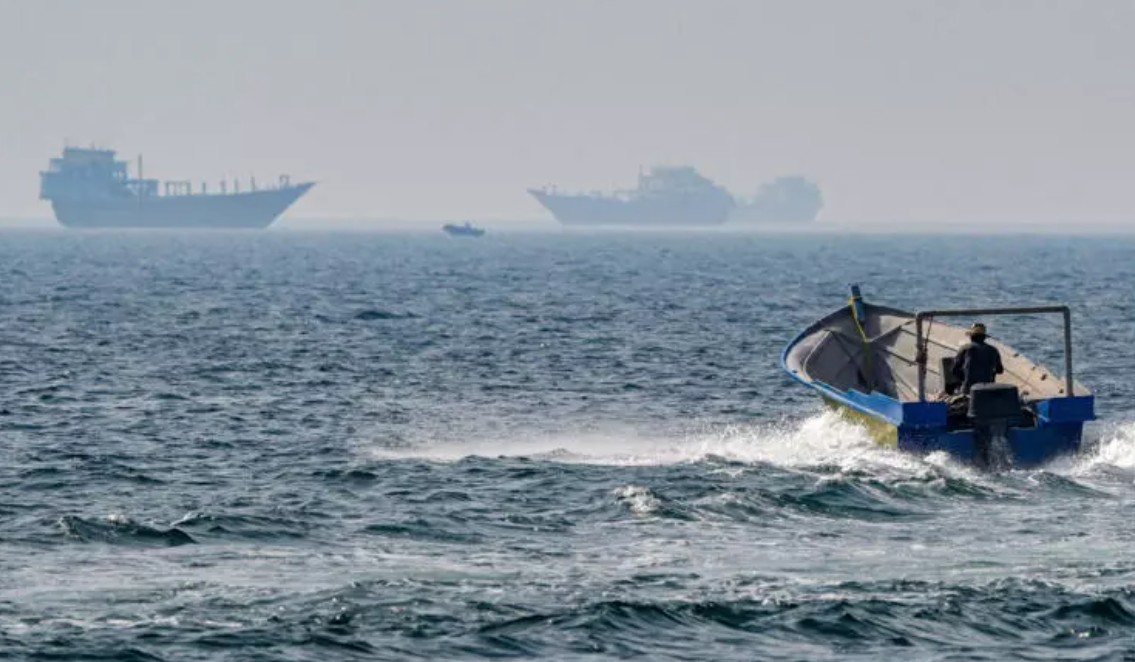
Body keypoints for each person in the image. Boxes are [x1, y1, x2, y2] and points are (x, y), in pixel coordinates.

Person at [952, 322, 1004, 394]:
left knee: (955, 389)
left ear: (971, 337)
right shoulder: (993, 350)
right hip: (988, 389)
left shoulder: (965, 348)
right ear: (984, 337)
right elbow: (1000, 370)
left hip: (968, 389)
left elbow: (954, 370)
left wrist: (964, 377)